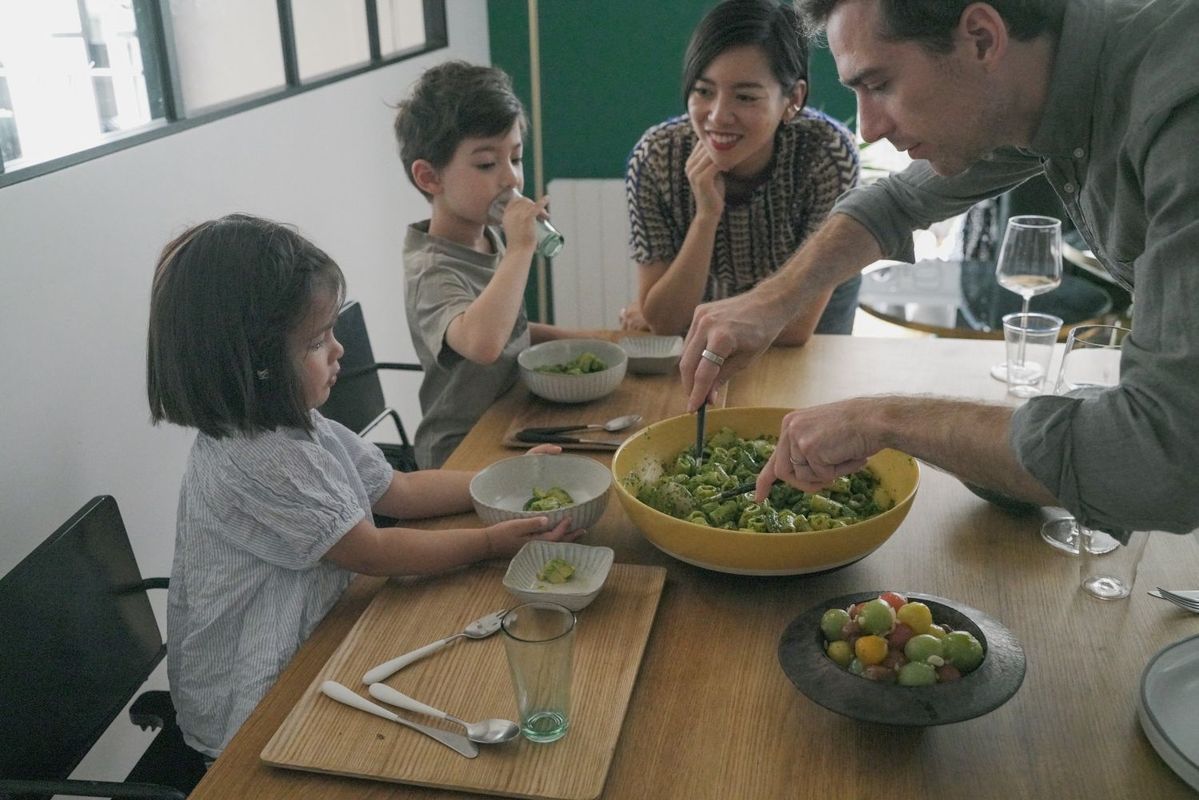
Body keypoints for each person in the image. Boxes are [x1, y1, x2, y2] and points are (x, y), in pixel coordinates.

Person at [680, 0, 1199, 535]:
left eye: (879, 84)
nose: (869, 127)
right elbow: (895, 204)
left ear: (980, 38)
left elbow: (1160, 462)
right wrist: (768, 302)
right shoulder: (1036, 78)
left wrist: (881, 420)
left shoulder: (1180, 110)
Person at [146, 214, 579, 759]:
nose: (338, 351)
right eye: (317, 341)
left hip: (321, 642)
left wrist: (502, 481)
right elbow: (373, 553)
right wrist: (491, 543)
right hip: (252, 707)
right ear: (255, 365)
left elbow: (394, 488)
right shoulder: (258, 457)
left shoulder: (293, 420)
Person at [623, 0, 860, 339]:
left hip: (810, 318)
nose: (717, 116)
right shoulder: (657, 157)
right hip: (722, 313)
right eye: (704, 91)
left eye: (746, 97)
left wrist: (693, 314)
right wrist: (706, 216)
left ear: (793, 99)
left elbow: (794, 329)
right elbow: (664, 323)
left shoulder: (826, 156)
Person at [395, 61, 583, 469]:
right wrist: (519, 251)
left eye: (515, 158)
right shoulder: (431, 268)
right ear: (430, 177)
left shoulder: (486, 235)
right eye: (486, 164)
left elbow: (510, 329)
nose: (511, 180)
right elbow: (483, 344)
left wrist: (582, 341)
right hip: (459, 454)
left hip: (509, 422)